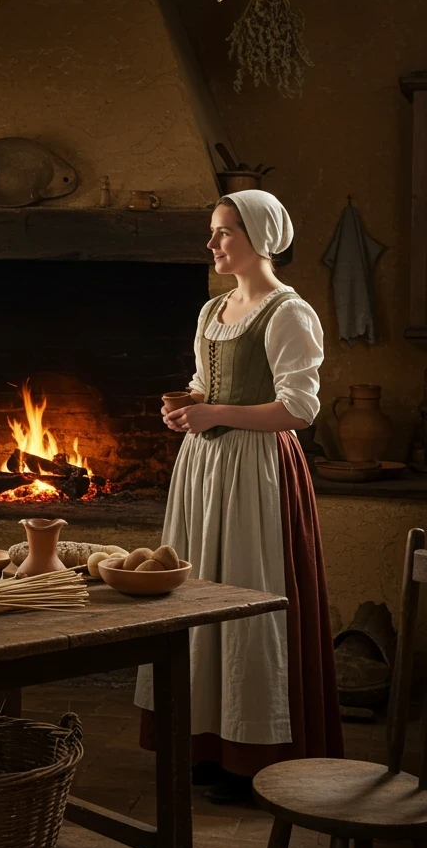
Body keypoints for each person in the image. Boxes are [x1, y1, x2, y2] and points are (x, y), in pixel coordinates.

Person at [134, 190, 343, 804]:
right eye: (213, 231)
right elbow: (204, 383)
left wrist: (216, 412)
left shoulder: (288, 312)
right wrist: (190, 409)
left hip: (257, 471)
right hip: (204, 467)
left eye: (225, 231)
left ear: (261, 238)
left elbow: (299, 410)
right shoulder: (213, 309)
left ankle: (252, 751)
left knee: (249, 595)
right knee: (197, 595)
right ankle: (205, 740)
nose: (212, 243)